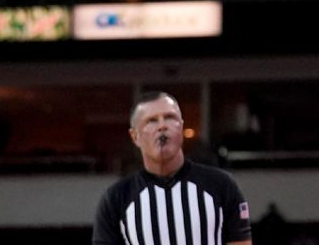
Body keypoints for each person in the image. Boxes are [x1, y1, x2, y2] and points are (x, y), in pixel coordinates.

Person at [92, 91, 253, 245]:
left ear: (181, 127)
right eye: (152, 120)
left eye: (169, 117)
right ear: (135, 136)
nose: (162, 126)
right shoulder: (116, 198)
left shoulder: (221, 185)